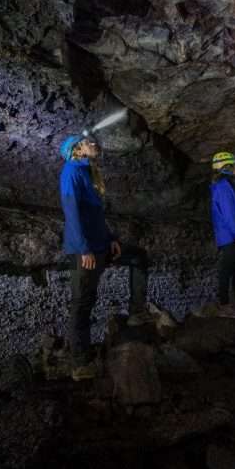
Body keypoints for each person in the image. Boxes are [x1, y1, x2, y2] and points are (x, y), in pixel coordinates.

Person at [59, 134, 149, 381]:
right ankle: (80, 364)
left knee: (138, 257)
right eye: (88, 142)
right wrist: (83, 249)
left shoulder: (88, 174)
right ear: (76, 150)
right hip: (85, 250)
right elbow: (72, 213)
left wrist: (112, 240)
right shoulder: (71, 172)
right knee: (82, 304)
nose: (95, 144)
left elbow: (95, 217)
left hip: (101, 245)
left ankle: (137, 312)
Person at [210, 151, 235, 319]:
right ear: (227, 167)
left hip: (232, 235)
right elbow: (230, 214)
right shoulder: (224, 187)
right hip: (229, 236)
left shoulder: (227, 185)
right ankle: (224, 306)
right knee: (226, 271)